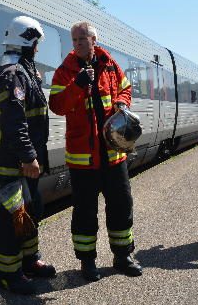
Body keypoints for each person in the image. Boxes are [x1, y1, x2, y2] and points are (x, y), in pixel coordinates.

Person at [49, 21, 142, 282]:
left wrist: (122, 102)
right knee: (85, 212)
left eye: (82, 39)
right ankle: (87, 263)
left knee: (122, 205)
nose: (77, 44)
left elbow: (125, 87)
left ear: (94, 40)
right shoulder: (65, 71)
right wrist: (77, 85)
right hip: (83, 159)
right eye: (74, 40)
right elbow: (57, 105)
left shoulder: (110, 64)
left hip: (114, 154)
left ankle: (123, 256)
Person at [0, 15, 56, 295]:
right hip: (12, 162)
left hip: (25, 161)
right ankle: (8, 274)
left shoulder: (24, 71)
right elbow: (14, 121)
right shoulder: (13, 74)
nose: (39, 48)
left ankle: (29, 261)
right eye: (37, 43)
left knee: (31, 210)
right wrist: (28, 156)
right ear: (30, 41)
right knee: (12, 218)